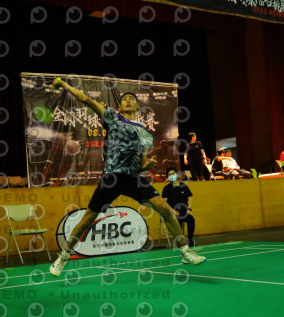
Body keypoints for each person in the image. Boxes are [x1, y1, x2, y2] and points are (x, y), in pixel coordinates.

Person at [48, 79, 206, 276]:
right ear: (120, 107)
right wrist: (65, 85)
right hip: (112, 178)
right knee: (88, 219)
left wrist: (147, 165)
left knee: (165, 209)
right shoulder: (112, 117)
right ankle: (62, 258)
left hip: (132, 179)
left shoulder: (144, 133)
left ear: (138, 106)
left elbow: (141, 164)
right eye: (125, 99)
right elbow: (86, 100)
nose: (128, 100)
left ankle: (185, 251)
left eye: (132, 98)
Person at [162, 168, 196, 247]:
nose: (171, 176)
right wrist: (172, 211)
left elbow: (190, 197)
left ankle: (190, 239)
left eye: (173, 174)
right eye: (169, 175)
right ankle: (181, 242)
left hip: (184, 211)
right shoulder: (166, 188)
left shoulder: (183, 186)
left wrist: (189, 209)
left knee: (191, 219)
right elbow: (164, 203)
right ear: (167, 177)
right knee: (177, 221)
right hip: (173, 213)